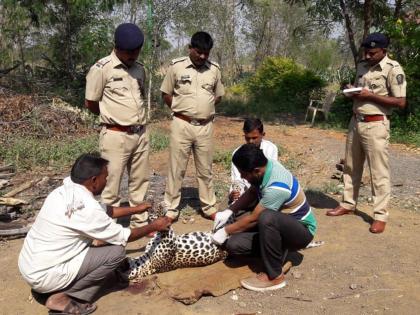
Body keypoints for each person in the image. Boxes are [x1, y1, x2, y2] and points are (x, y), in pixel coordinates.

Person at [18, 153, 171, 314]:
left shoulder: (64, 191)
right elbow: (125, 236)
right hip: (46, 276)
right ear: (93, 181)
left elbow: (105, 210)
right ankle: (65, 296)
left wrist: (136, 209)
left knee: (100, 243)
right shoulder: (86, 208)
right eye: (105, 177)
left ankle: (53, 287)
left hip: (30, 267)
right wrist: (154, 225)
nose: (107, 181)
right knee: (116, 252)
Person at [326, 33, 407, 234]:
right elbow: (360, 92)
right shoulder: (362, 66)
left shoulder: (392, 69)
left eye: (373, 52)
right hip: (356, 122)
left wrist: (370, 95)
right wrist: (351, 90)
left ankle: (380, 215)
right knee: (351, 167)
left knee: (378, 172)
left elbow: (400, 102)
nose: (368, 55)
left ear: (384, 51)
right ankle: (348, 203)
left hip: (376, 125)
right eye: (366, 52)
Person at [211, 144, 317, 291]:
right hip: (281, 226)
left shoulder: (277, 186)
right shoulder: (264, 169)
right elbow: (252, 192)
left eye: (244, 174)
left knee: (266, 217)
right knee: (234, 244)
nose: (242, 177)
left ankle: (274, 276)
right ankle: (278, 251)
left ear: (256, 171)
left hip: (301, 232)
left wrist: (226, 231)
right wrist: (230, 211)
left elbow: (255, 218)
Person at [85, 23, 150, 229]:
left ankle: (140, 223)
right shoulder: (101, 69)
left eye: (136, 51)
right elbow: (91, 103)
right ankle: (107, 228)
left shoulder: (140, 69)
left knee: (140, 182)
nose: (133, 55)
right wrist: (112, 119)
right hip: (115, 136)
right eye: (128, 52)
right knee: (110, 185)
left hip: (140, 134)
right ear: (116, 47)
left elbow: (140, 95)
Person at [160, 31, 225, 222]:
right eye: (199, 52)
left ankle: (209, 206)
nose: (203, 56)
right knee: (176, 168)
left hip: (205, 127)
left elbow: (218, 95)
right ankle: (171, 208)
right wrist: (183, 110)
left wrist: (203, 111)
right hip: (182, 124)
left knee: (205, 169)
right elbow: (166, 93)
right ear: (190, 48)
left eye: (206, 53)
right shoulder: (176, 67)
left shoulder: (214, 69)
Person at [229, 118, 278, 203]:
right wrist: (234, 193)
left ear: (263, 134)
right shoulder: (237, 154)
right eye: (247, 138)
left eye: (254, 138)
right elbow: (237, 179)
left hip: (265, 191)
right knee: (231, 208)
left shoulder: (270, 149)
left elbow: (270, 176)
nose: (251, 141)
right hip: (246, 192)